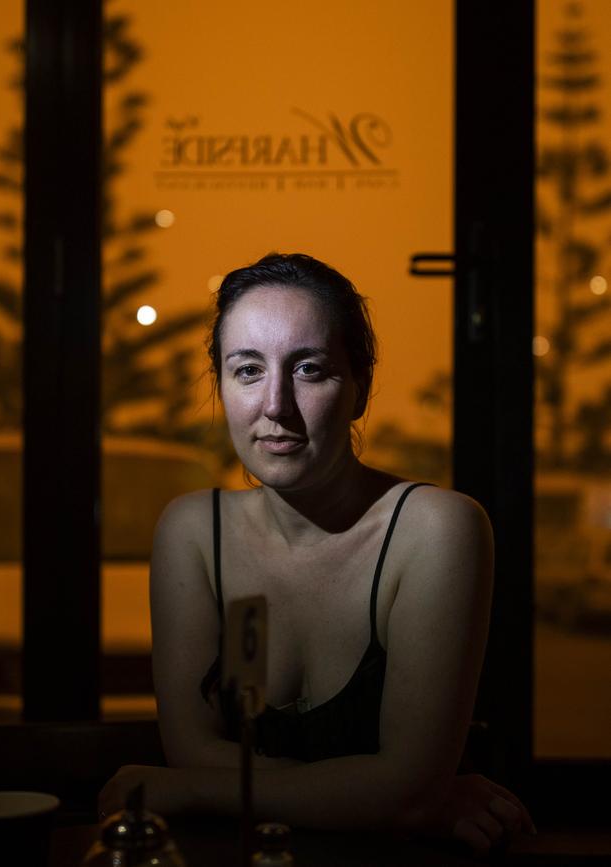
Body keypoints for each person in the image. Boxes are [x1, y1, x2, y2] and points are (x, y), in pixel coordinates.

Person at [99, 252, 535, 855]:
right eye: (247, 370)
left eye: (308, 369)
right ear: (220, 386)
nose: (275, 405)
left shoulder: (436, 530)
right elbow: (194, 751)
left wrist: (188, 792)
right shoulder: (194, 532)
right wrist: (388, 797)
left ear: (360, 388)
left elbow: (405, 791)